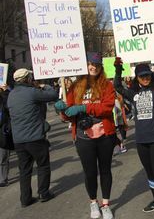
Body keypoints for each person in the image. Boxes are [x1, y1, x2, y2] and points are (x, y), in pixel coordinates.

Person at [114, 49, 154, 219]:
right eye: (141, 76)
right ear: (137, 77)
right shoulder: (133, 93)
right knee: (149, 172)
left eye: (147, 75)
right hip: (142, 140)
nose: (145, 78)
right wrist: (118, 70)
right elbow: (117, 86)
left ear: (151, 75)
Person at [55, 52, 116, 219]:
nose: (93, 67)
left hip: (105, 136)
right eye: (90, 63)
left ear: (100, 66)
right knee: (89, 173)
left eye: (96, 64)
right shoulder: (75, 87)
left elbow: (107, 107)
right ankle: (93, 202)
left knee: (105, 171)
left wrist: (84, 108)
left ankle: (105, 204)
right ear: (85, 65)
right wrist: (62, 110)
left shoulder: (107, 85)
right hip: (83, 138)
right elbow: (68, 114)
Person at [8, 68, 58, 207]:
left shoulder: (11, 94)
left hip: (18, 140)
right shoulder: (31, 92)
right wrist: (44, 85)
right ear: (27, 79)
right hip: (35, 137)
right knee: (43, 165)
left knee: (24, 170)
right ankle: (43, 193)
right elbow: (53, 95)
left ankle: (25, 199)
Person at [0, 84, 12, 187]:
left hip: (2, 134)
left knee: (3, 157)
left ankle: (3, 178)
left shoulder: (4, 100)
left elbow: (9, 104)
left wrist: (6, 91)